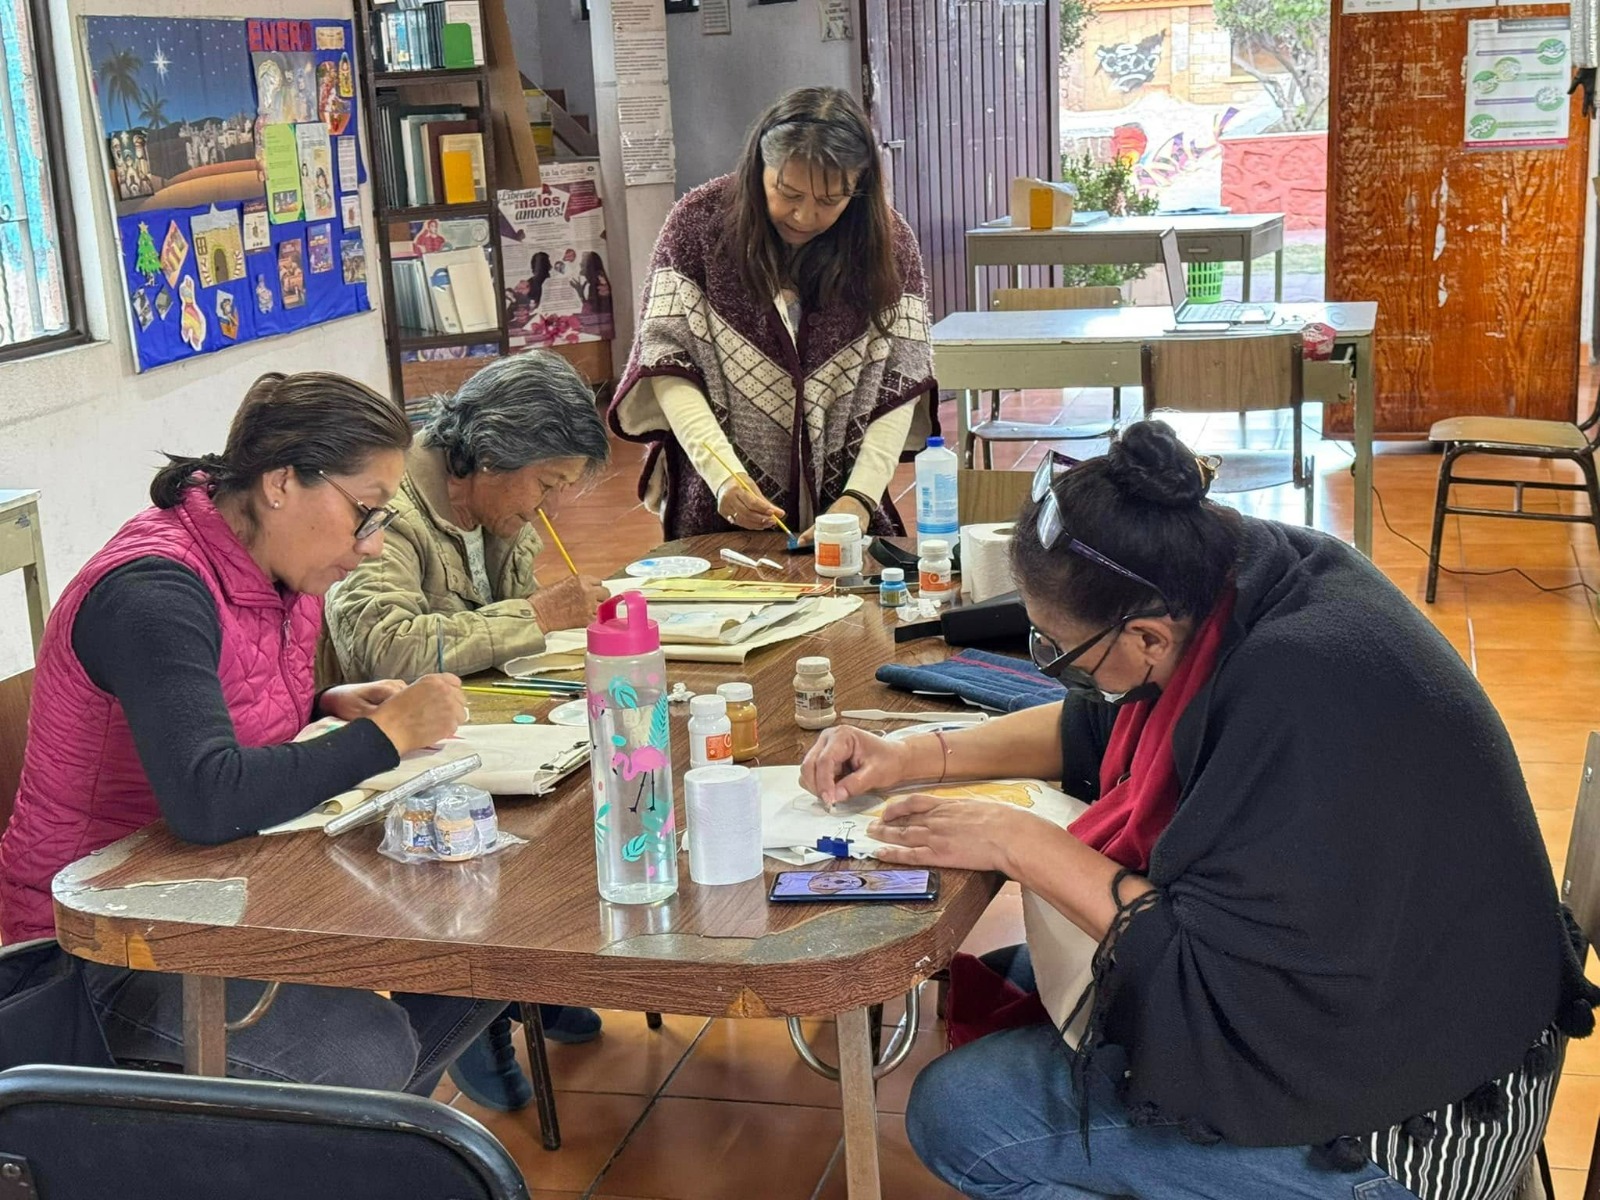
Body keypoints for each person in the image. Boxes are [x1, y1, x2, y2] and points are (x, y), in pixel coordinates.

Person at [799, 420, 1597, 1200]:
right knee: (1026, 987)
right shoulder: (1244, 577)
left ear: (1145, 636)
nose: (1055, 669)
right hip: (1424, 1012)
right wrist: (912, 754)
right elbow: (1099, 723)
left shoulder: (1294, 692)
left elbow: (1202, 969)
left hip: (1419, 1130)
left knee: (957, 1114)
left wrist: (1020, 843)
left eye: (1056, 650)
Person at [0, 371, 504, 1095]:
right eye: (365, 512)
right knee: (365, 1054)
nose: (371, 544)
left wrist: (327, 708)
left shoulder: (277, 568)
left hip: (217, 894)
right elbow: (206, 795)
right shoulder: (154, 593)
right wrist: (385, 737)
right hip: (95, 944)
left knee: (478, 952)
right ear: (280, 483)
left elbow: (215, 715)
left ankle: (335, 1148)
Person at [325, 351, 612, 1110]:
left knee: (595, 789)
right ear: (488, 456)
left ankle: (536, 974)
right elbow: (384, 646)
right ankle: (464, 1002)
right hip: (397, 756)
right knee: (512, 831)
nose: (549, 506)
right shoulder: (392, 504)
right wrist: (540, 615)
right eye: (547, 484)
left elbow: (510, 640)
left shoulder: (497, 506)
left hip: (488, 729)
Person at [609, 86, 934, 541]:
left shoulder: (887, 245)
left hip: (843, 503)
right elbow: (669, 363)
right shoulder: (699, 226)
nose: (803, 216)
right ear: (759, 167)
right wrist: (721, 474)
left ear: (858, 188)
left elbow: (898, 384)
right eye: (787, 191)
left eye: (829, 202)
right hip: (716, 494)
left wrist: (858, 500)